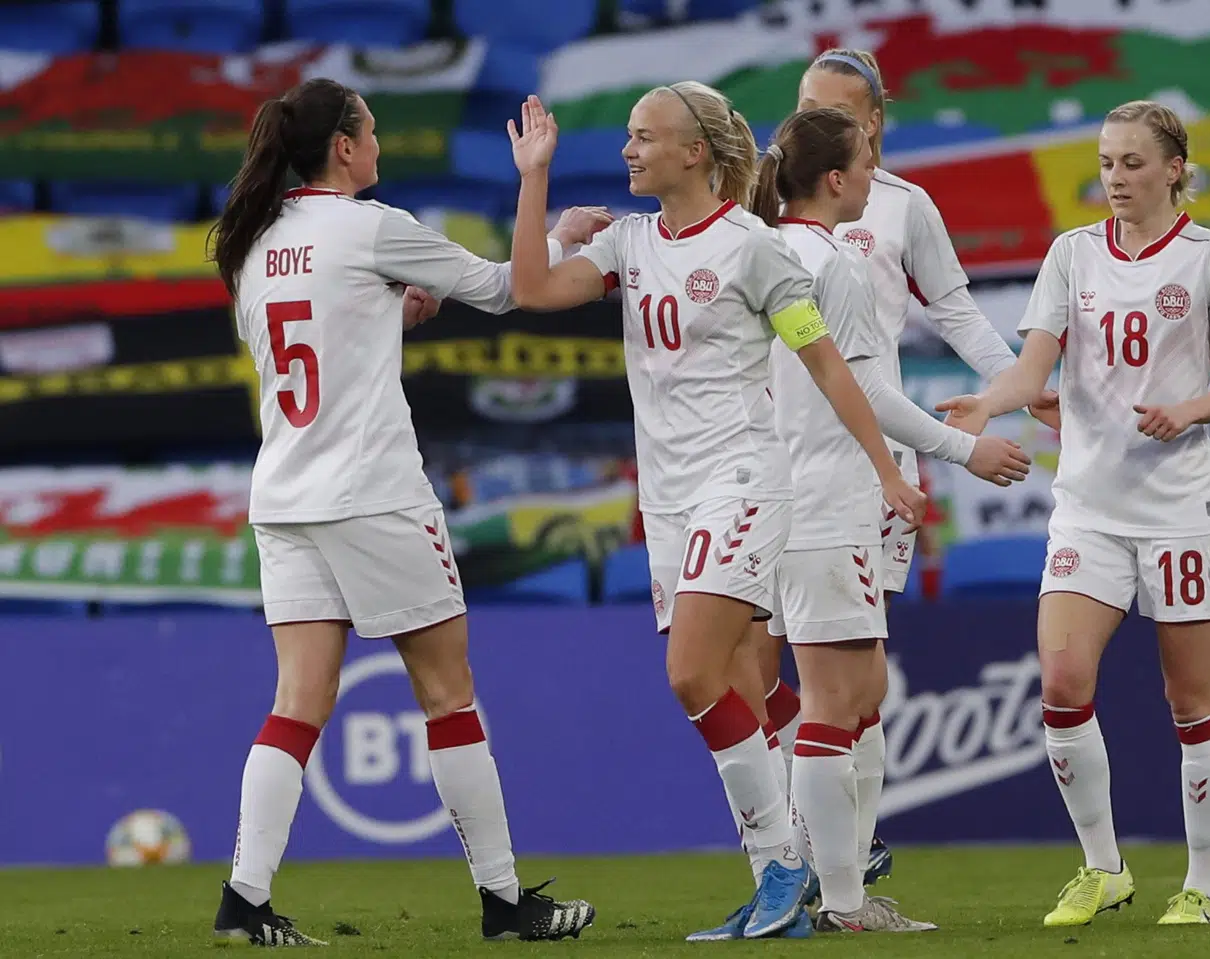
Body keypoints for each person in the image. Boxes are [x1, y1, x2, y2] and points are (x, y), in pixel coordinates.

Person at [504, 85, 927, 940]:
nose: (628, 151)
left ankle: (782, 864)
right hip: (664, 495)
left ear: (696, 151)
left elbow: (829, 366)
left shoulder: (755, 248)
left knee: (691, 673)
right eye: (625, 137)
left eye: (644, 137)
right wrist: (535, 181)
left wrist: (887, 472)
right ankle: (787, 876)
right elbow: (531, 288)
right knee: (741, 685)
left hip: (741, 476)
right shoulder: (629, 242)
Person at [207, 77, 609, 946]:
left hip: (285, 494)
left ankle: (244, 896)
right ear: (344, 148)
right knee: (448, 692)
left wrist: (390, 312)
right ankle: (506, 903)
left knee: (298, 700)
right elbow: (508, 289)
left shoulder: (251, 244)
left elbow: (320, 337)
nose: (380, 146)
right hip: (374, 490)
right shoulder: (373, 226)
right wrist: (548, 209)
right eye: (373, 132)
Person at [940, 99, 1210, 927]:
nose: (1114, 179)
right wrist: (988, 405)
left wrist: (1187, 411)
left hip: (1179, 510)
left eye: (1130, 163)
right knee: (1061, 680)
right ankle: (1102, 867)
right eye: (1106, 162)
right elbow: (1033, 369)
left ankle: (1202, 886)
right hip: (1087, 508)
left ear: (1173, 170)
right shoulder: (1072, 254)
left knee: (1192, 698)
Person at [749, 46, 1062, 887]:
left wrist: (1020, 387)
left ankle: (840, 847)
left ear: (873, 121)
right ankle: (810, 839)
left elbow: (954, 309)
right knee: (763, 665)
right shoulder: (772, 220)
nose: (816, 122)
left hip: (867, 448)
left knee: (856, 669)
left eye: (837, 111)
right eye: (806, 106)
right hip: (779, 452)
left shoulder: (900, 207)